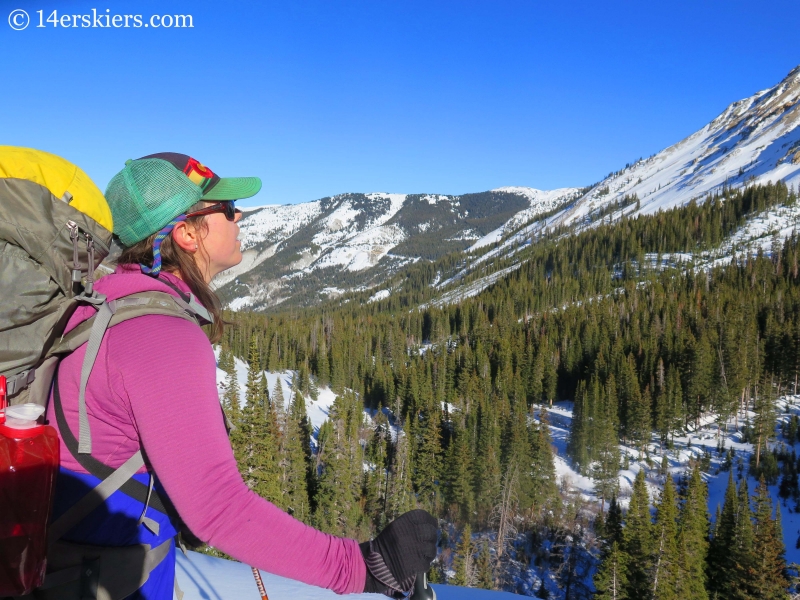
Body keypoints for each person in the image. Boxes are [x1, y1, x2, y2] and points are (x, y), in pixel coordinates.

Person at [46, 152, 438, 599]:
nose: (240, 218)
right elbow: (217, 508)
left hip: (77, 563)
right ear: (187, 234)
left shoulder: (107, 302)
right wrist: (364, 566)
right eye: (228, 209)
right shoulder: (159, 334)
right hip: (101, 578)